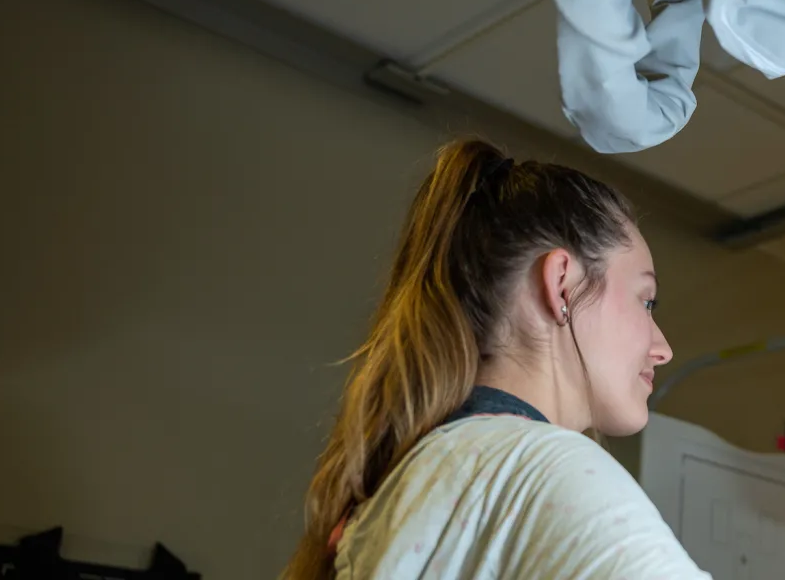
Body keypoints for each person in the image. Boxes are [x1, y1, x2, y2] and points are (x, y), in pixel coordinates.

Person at [283, 139, 710, 579]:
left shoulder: (403, 489)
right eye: (647, 301)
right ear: (562, 283)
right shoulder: (548, 472)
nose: (663, 348)